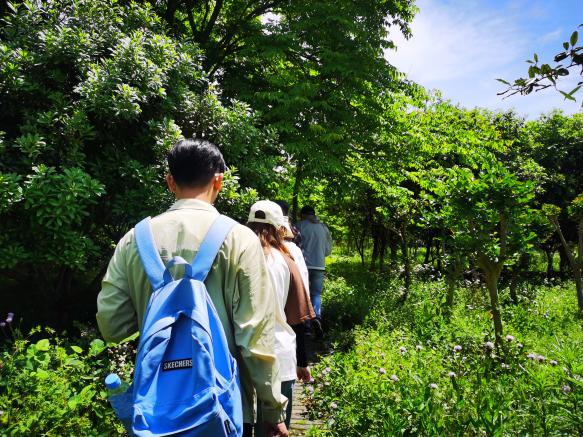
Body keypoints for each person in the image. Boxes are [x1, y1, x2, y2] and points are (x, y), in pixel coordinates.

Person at [96, 139, 288, 437]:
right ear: (218, 181)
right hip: (223, 410)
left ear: (170, 181)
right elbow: (254, 339)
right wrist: (272, 408)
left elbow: (112, 325)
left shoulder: (134, 240)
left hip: (155, 412)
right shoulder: (239, 239)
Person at [246, 200, 315, 436]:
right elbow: (298, 318)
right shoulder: (286, 261)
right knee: (273, 429)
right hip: (279, 355)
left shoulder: (236, 259)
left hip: (241, 358)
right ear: (280, 228)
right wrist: (302, 361)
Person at [296, 206, 333, 338]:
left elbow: (295, 245)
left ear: (303, 215)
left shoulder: (299, 225)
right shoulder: (323, 228)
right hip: (319, 266)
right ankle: (316, 317)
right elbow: (328, 251)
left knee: (304, 294)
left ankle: (306, 326)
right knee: (316, 294)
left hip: (303, 265)